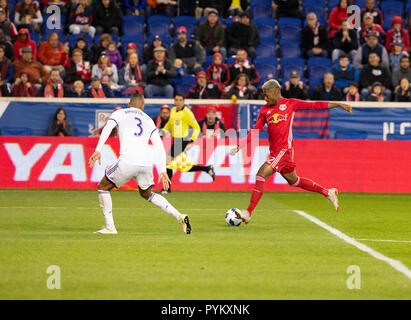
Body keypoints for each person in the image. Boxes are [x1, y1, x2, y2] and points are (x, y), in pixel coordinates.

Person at [229, 79, 352, 224]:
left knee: (261, 174)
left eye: (266, 94)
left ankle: (248, 212)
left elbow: (315, 106)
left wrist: (338, 104)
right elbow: (255, 130)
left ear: (275, 90)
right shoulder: (265, 110)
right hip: (276, 152)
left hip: (284, 151)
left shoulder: (290, 104)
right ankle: (328, 192)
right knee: (294, 181)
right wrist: (241, 145)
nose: (265, 98)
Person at [88, 92, 192, 234]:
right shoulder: (149, 120)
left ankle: (110, 227)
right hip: (146, 163)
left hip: (128, 161)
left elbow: (107, 128)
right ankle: (179, 216)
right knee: (147, 194)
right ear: (142, 106)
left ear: (129, 103)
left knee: (103, 187)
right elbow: (159, 145)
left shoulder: (120, 113)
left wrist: (98, 149)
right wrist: (162, 170)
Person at [162, 93, 215, 193]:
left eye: (180, 100)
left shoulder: (187, 113)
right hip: (176, 140)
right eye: (176, 100)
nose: (178, 102)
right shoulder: (173, 111)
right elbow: (169, 124)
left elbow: (196, 127)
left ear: (183, 101)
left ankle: (167, 189)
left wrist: (191, 140)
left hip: (183, 140)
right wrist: (162, 131)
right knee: (183, 166)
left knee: (168, 163)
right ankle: (207, 168)